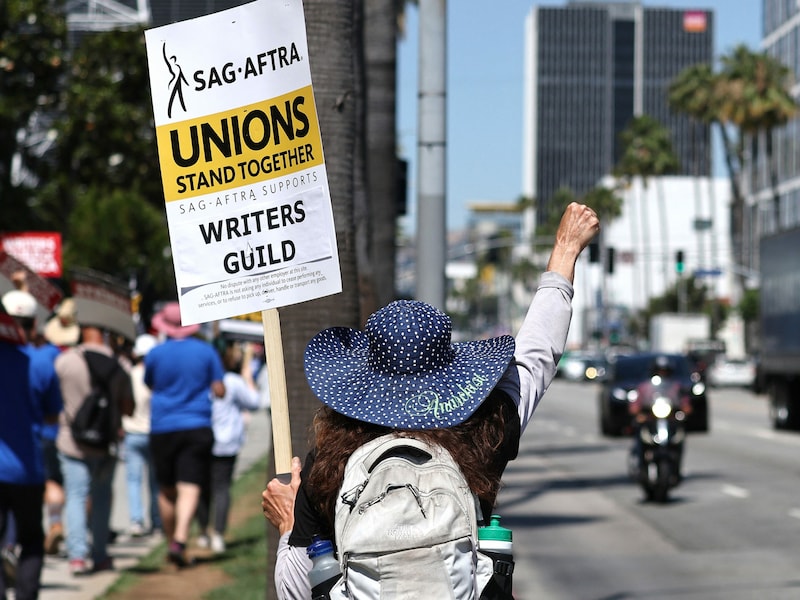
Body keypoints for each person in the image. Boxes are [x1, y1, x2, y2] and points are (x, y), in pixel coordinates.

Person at [261, 202, 600, 598]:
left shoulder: (331, 460)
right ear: (449, 371)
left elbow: (297, 591)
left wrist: (289, 528)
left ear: (364, 376)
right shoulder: (483, 431)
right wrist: (565, 249)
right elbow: (536, 357)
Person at [145, 302, 225, 567]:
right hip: (196, 424)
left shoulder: (155, 354)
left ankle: (173, 544)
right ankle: (180, 539)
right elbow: (219, 389)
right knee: (190, 484)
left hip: (163, 426)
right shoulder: (206, 351)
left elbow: (150, 383)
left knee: (167, 490)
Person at [55, 325, 134, 576]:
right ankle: (100, 555)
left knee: (76, 496)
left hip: (71, 441)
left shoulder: (66, 361)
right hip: (105, 443)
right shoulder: (120, 365)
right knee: (101, 498)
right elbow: (129, 408)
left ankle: (77, 556)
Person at [0, 290, 63, 599]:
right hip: (28, 469)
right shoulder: (41, 364)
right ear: (34, 324)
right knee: (31, 540)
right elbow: (53, 415)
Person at [195, 342, 261, 554]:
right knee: (221, 488)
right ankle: (217, 535)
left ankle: (204, 532)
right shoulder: (232, 381)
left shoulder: (201, 379)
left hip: (203, 439)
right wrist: (248, 377)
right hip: (225, 442)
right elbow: (254, 401)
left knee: (203, 488)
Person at [39, 298, 81, 555]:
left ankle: (55, 524)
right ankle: (81, 534)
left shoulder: (42, 357)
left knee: (52, 481)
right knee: (78, 486)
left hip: (47, 431)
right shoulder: (79, 357)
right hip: (76, 431)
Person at [122, 334, 162, 537]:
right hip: (153, 432)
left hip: (132, 432)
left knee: (133, 480)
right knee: (155, 481)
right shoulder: (157, 376)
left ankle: (136, 521)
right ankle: (157, 521)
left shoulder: (129, 374)